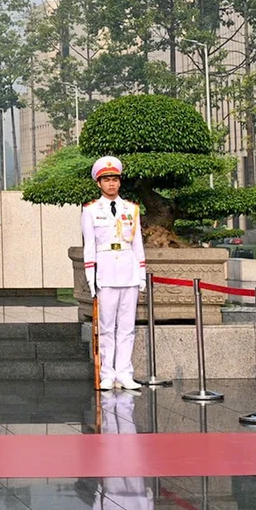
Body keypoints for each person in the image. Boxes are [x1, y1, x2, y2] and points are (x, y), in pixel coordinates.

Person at [81, 156, 146, 390]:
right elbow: (89, 246)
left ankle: (125, 373)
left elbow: (137, 243)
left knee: (127, 326)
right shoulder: (90, 211)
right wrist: (91, 277)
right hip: (106, 273)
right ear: (99, 183)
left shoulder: (132, 209)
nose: (111, 184)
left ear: (120, 182)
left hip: (128, 271)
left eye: (115, 179)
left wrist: (141, 273)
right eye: (106, 180)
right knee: (107, 327)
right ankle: (107, 373)